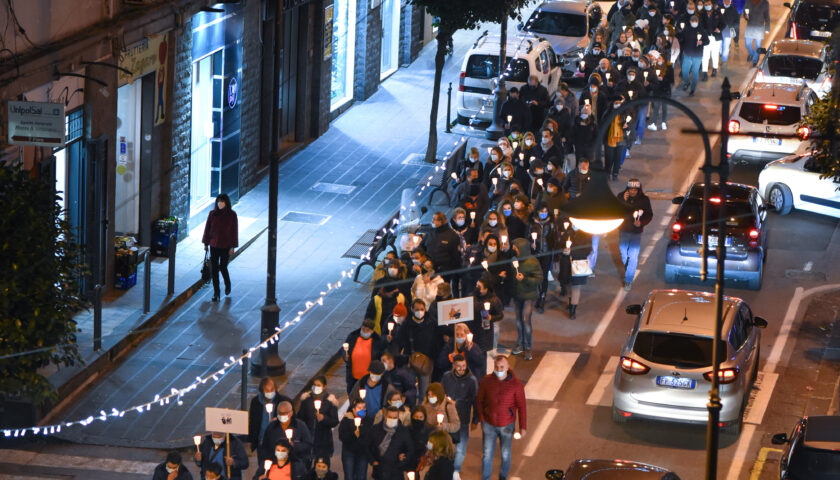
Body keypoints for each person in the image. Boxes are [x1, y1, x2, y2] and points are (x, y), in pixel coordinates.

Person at [477, 355, 526, 480]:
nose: (499, 370)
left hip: (507, 425)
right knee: (487, 454)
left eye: (502, 367)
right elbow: (479, 400)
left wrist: (523, 427)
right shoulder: (486, 381)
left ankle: (503, 477)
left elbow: (521, 406)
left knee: (505, 454)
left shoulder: (516, 385)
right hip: (489, 424)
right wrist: (482, 418)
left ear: (508, 366)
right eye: (497, 367)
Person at [441, 354, 479, 478]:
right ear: (453, 366)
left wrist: (475, 419)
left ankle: (455, 470)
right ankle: (447, 468)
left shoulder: (472, 380)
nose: (462, 369)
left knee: (461, 448)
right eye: (459, 366)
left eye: (463, 366)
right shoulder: (447, 377)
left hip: (463, 419)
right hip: (448, 419)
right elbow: (441, 393)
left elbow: (475, 401)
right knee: (446, 445)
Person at [617, 179, 653, 291]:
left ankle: (628, 279)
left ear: (638, 189)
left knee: (633, 255)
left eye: (635, 189)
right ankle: (628, 268)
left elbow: (649, 214)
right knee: (623, 253)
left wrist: (641, 223)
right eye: (630, 189)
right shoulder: (621, 196)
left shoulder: (644, 200)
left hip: (636, 233)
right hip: (623, 230)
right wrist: (624, 201)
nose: (632, 191)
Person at [202, 194, 238, 302]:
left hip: (225, 246)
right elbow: (207, 228)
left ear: (226, 203)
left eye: (222, 201)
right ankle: (216, 293)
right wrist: (206, 243)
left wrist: (232, 246)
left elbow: (234, 231)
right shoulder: (212, 214)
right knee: (214, 270)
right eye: (218, 201)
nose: (220, 203)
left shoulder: (232, 215)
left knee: (223, 267)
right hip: (214, 245)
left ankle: (227, 284)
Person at [247, 378, 292, 465]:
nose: (270, 392)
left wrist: (278, 419)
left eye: (272, 390)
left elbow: (291, 420)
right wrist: (251, 441)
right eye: (267, 390)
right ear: (262, 390)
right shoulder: (256, 402)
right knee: (262, 466)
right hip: (262, 441)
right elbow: (253, 422)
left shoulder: (282, 401)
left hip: (277, 441)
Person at [510, 238, 542, 361]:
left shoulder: (533, 262)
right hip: (518, 295)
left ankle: (528, 348)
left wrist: (524, 279)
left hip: (529, 296)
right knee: (518, 321)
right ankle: (520, 343)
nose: (514, 250)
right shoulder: (515, 261)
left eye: (516, 248)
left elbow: (539, 279)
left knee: (525, 320)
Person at [298, 375, 340, 460]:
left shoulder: (329, 401)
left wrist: (324, 418)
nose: (316, 387)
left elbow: (334, 421)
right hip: (308, 438)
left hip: (323, 441)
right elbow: (300, 418)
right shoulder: (307, 399)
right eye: (314, 385)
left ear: (324, 386)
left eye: (318, 385)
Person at [261, 401, 314, 466]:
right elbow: (265, 447)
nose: (282, 415)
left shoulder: (300, 426)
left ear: (291, 413)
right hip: (275, 465)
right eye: (280, 413)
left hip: (296, 465)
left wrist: (294, 446)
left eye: (285, 413)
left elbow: (308, 445)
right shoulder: (272, 427)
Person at [368, 406, 414, 479]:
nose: (392, 420)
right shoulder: (375, 429)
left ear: (398, 418)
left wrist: (403, 460)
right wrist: (373, 461)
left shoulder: (403, 431)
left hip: (396, 471)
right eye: (390, 417)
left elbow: (410, 448)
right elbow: (367, 446)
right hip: (379, 471)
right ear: (385, 416)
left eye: (395, 418)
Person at [528, 204, 558, 313]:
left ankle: (542, 297)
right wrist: (531, 243)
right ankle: (539, 293)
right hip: (536, 254)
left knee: (544, 275)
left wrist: (555, 256)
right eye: (541, 211)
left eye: (545, 211)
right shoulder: (532, 223)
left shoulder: (551, 224)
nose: (543, 213)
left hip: (546, 253)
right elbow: (527, 237)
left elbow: (555, 239)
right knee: (537, 275)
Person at [343, 318, 386, 395]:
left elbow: (381, 357)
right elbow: (344, 349)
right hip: (353, 378)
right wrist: (345, 356)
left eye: (367, 330)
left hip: (368, 379)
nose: (365, 331)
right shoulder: (352, 337)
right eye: (363, 329)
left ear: (372, 331)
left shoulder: (378, 342)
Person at [469, 274, 504, 354]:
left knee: (484, 351)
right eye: (476, 285)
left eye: (479, 287)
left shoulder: (494, 300)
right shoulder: (473, 296)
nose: (477, 288)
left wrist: (491, 317)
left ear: (486, 289)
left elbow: (500, 315)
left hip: (485, 331)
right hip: (474, 328)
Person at [421, 212, 461, 282]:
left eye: (434, 219)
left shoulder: (452, 236)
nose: (432, 221)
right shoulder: (430, 233)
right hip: (427, 269)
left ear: (440, 222)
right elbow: (421, 247)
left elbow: (456, 257)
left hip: (443, 273)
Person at [338, 399, 370, 480]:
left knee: (361, 476)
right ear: (353, 409)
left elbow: (370, 437)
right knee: (349, 476)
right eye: (359, 408)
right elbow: (342, 436)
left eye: (364, 408)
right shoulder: (346, 420)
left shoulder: (367, 420)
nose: (362, 410)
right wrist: (353, 434)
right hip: (349, 452)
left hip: (363, 453)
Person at [566, 227, 593, 319]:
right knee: (568, 285)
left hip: (578, 263)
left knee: (576, 287)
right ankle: (571, 302)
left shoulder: (586, 233)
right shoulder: (567, 230)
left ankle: (573, 310)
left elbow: (587, 250)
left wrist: (571, 252)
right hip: (566, 263)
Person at [678, 15, 707, 96]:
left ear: (698, 22)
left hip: (697, 55)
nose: (694, 23)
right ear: (690, 22)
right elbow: (681, 39)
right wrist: (679, 34)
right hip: (687, 54)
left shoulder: (702, 31)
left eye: (695, 21)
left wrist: (702, 42)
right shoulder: (686, 30)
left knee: (695, 72)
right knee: (684, 71)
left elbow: (707, 41)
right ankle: (687, 83)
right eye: (693, 21)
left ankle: (693, 89)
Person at [649, 55, 674, 131]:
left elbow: (671, 80)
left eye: (659, 58)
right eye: (657, 58)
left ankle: (663, 123)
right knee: (656, 107)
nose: (657, 60)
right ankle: (655, 124)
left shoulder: (669, 69)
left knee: (664, 107)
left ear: (663, 60)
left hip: (665, 90)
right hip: (657, 91)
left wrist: (663, 79)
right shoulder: (653, 68)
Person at [699, 0, 722, 80]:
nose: (708, 5)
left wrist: (719, 29)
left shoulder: (717, 13)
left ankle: (714, 70)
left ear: (712, 4)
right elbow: (700, 26)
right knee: (705, 55)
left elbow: (723, 23)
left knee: (715, 54)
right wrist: (704, 32)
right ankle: (705, 72)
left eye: (709, 3)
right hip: (706, 38)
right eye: (706, 4)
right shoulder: (702, 14)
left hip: (716, 38)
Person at [743, 0, 770, 67]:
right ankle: (751, 53)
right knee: (747, 44)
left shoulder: (765, 3)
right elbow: (745, 11)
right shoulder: (748, 1)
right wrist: (745, 16)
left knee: (757, 46)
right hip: (750, 26)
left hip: (759, 27)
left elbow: (767, 16)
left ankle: (755, 60)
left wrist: (767, 28)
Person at [720, 0, 740, 67]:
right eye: (725, 1)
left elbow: (737, 21)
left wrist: (732, 27)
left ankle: (724, 61)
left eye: (728, 1)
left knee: (726, 46)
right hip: (719, 31)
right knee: (720, 47)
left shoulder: (734, 10)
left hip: (728, 31)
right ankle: (721, 55)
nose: (727, 2)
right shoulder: (719, 9)